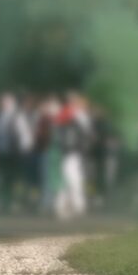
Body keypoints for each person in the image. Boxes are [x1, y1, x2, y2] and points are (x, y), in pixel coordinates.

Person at [53, 92, 91, 220]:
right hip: (69, 154)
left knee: (70, 180)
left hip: (72, 154)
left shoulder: (73, 115)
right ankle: (74, 206)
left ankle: (66, 207)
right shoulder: (70, 114)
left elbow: (84, 134)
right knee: (71, 180)